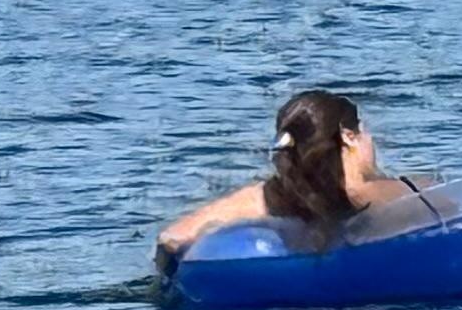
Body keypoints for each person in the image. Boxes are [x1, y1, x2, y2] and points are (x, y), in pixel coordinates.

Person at [156, 89, 431, 270]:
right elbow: (454, 211)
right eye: (364, 132)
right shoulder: (390, 193)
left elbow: (171, 238)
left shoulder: (268, 197)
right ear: (349, 136)